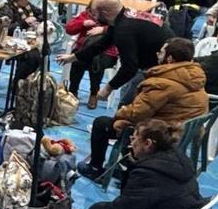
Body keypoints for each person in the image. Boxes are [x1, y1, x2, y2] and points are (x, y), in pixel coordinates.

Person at [81, 37, 208, 179]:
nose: (157, 55)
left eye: (160, 53)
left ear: (170, 59)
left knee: (102, 124)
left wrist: (120, 114)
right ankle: (127, 168)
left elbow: (137, 113)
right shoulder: (195, 76)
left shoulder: (163, 83)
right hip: (183, 132)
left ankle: (95, 168)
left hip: (161, 134)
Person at [62, 0, 173, 106]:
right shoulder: (125, 15)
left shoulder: (123, 30)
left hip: (164, 67)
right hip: (163, 55)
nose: (95, 18)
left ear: (105, 13)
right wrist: (73, 57)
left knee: (126, 104)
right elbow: (102, 44)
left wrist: (108, 88)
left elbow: (129, 67)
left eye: (95, 14)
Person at [64, 6, 117, 108]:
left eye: (96, 13)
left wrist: (103, 29)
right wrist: (82, 24)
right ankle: (73, 91)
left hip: (106, 52)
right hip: (84, 48)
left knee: (96, 62)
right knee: (77, 62)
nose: (94, 15)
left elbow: (119, 29)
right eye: (92, 12)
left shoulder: (111, 19)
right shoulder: (85, 15)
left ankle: (94, 93)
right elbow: (69, 29)